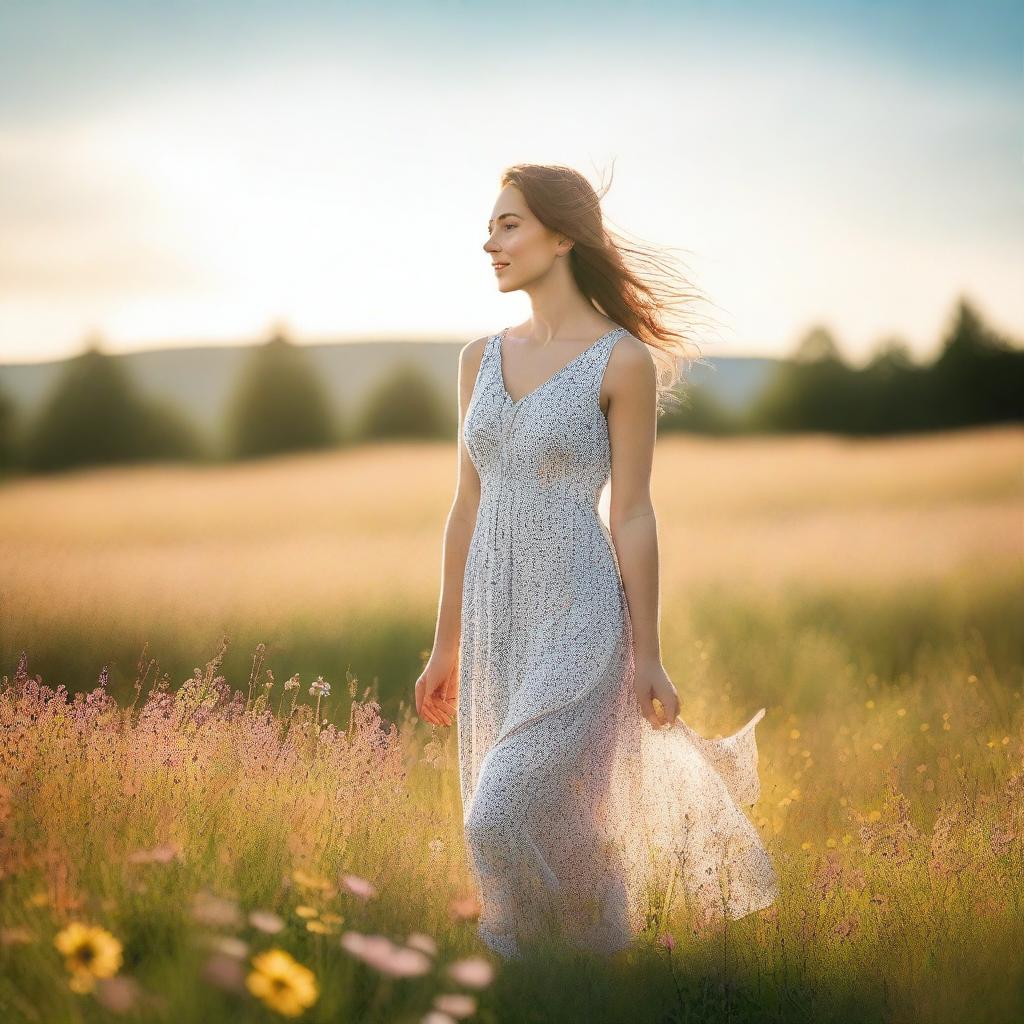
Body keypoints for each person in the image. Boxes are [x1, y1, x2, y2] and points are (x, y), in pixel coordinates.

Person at [414, 163, 778, 960]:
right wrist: (446, 644)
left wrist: (649, 655)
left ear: (563, 236)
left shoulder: (621, 363)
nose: (490, 242)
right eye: (491, 225)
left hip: (579, 615)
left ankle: (527, 957)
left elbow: (636, 511)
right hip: (494, 617)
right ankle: (590, 972)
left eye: (508, 224)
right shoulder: (478, 358)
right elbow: (464, 506)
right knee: (561, 819)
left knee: (497, 813)